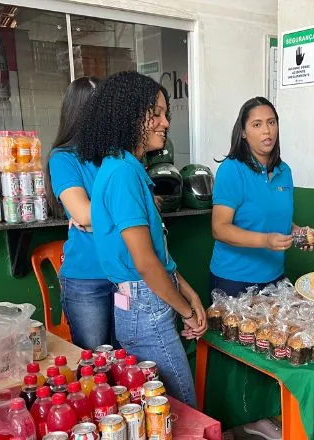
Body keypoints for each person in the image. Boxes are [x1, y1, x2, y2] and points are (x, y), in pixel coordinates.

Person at [76, 71, 206, 407]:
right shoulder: (122, 174)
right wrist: (187, 313)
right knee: (182, 408)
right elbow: (145, 263)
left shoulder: (126, 168)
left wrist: (187, 292)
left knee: (164, 409)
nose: (165, 122)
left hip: (145, 301)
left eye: (166, 114)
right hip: (145, 305)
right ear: (131, 116)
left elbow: (158, 256)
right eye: (157, 114)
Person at [46, 76, 122, 350]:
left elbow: (147, 205)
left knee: (128, 363)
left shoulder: (118, 156)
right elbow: (84, 214)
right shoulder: (63, 158)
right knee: (95, 364)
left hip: (125, 273)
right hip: (87, 279)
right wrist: (109, 217)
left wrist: (94, 218)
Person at [210, 97, 313, 298]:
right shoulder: (231, 170)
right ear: (243, 132)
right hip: (234, 281)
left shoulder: (285, 171)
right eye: (257, 125)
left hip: (275, 279)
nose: (267, 131)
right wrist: (265, 240)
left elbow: (274, 217)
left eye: (271, 122)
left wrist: (297, 231)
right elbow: (219, 228)